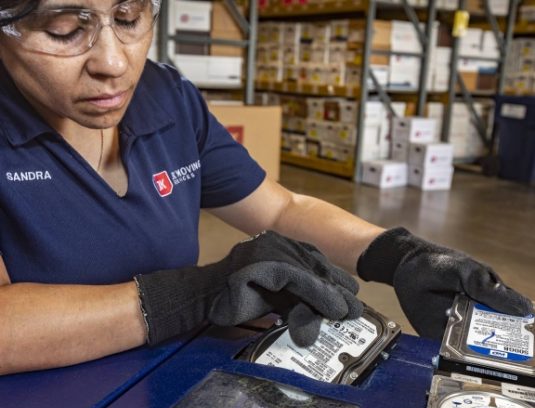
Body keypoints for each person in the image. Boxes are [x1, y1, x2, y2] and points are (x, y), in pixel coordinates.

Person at [0, 0, 531, 377]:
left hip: (170, 374)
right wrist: (195, 294)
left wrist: (397, 255)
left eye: (129, 17)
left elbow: (279, 208)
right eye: (66, 28)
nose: (113, 63)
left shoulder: (167, 98)